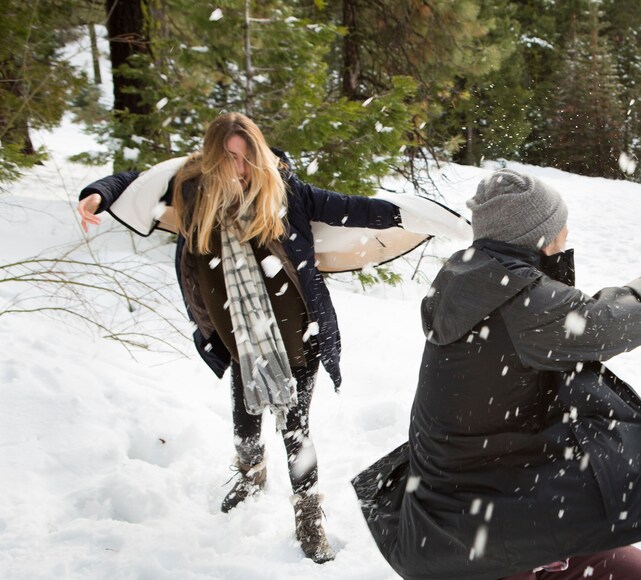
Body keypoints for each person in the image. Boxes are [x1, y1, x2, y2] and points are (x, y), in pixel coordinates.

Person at [77, 112, 403, 563]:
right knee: (245, 423)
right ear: (213, 157)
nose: (242, 168)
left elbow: (349, 207)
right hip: (241, 340)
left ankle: (308, 516)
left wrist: (409, 214)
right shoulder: (191, 190)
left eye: (249, 156)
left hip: (296, 336)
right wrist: (96, 194)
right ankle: (251, 475)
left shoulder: (285, 190)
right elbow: (136, 182)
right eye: (231, 157)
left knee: (295, 430)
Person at [352, 169, 641, 580]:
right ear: (536, 235)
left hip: (468, 513)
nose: (567, 231)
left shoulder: (472, 276)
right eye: (559, 225)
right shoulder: (518, 300)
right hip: (482, 535)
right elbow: (621, 321)